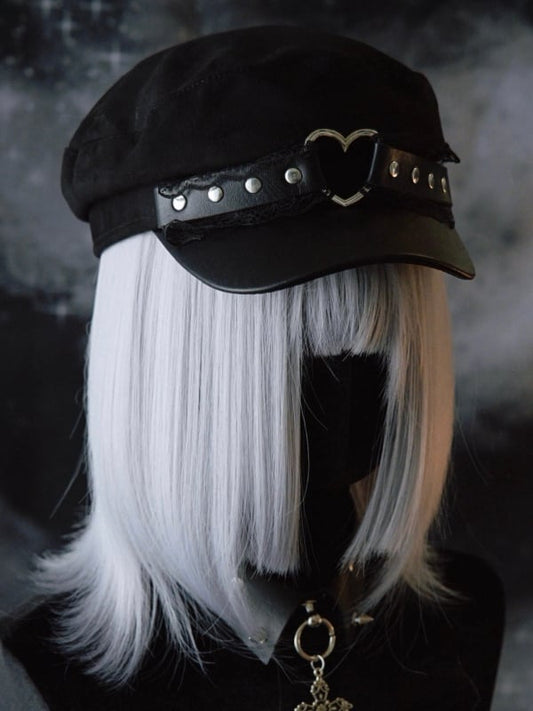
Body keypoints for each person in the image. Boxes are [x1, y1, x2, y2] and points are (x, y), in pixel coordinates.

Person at [1, 26, 504, 710]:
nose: (346, 391)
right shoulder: (43, 674)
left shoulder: (458, 617)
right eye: (291, 353)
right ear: (160, 352)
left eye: (380, 342)